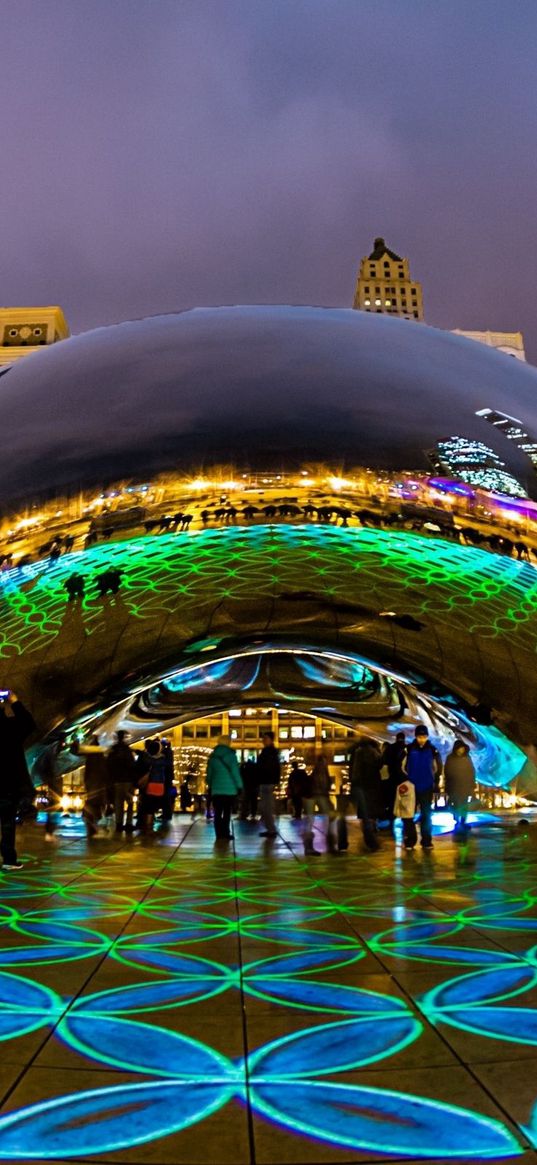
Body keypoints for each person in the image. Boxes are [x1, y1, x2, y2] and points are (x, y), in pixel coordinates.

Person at [0, 691, 35, 869]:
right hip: (7, 786)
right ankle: (8, 860)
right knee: (7, 824)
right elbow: (29, 724)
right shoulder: (10, 727)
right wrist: (14, 702)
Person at [402, 725, 442, 850]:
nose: (422, 739)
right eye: (420, 737)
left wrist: (434, 782)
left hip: (426, 786)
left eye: (424, 737)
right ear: (416, 736)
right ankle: (410, 840)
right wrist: (407, 780)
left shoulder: (432, 750)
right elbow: (402, 766)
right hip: (411, 786)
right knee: (408, 815)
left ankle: (426, 841)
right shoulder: (408, 749)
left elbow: (438, 768)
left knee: (426, 814)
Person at [349, 736, 383, 851]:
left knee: (365, 815)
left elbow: (355, 772)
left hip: (361, 786)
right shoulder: (374, 752)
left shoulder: (358, 752)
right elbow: (380, 766)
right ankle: (372, 841)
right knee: (370, 814)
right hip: (372, 787)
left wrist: (354, 785)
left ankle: (370, 841)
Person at [206, 736, 242, 841]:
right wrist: (239, 786)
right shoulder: (231, 756)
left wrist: (211, 784)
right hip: (229, 790)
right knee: (227, 813)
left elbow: (209, 775)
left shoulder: (212, 757)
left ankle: (218, 833)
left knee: (217, 812)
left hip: (216, 790)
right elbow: (235, 772)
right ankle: (226, 833)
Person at [303, 749, 338, 854]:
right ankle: (331, 844)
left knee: (310, 819)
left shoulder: (313, 767)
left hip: (309, 795)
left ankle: (308, 847)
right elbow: (322, 782)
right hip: (319, 794)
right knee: (331, 816)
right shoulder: (322, 766)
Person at [106, 730, 137, 833]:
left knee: (118, 803)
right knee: (130, 803)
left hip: (117, 781)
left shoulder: (113, 751)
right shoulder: (128, 750)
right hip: (128, 780)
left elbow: (109, 766)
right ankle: (128, 823)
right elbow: (132, 766)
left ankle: (119, 823)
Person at [78, 735, 108, 837]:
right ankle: (94, 821)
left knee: (91, 802)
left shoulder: (90, 756)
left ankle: (89, 820)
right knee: (97, 803)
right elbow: (104, 769)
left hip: (91, 782)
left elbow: (87, 770)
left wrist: (86, 782)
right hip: (99, 782)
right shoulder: (101, 754)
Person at [444, 739, 475, 833]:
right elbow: (447, 772)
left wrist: (471, 783)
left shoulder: (467, 758)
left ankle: (462, 821)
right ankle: (456, 819)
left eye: (462, 749)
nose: (461, 751)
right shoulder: (450, 758)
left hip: (464, 786)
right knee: (456, 804)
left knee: (464, 804)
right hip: (454, 786)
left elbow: (471, 771)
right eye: (459, 749)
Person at [137, 739, 167, 834]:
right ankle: (150, 823)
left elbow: (146, 762)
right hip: (160, 785)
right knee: (154, 805)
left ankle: (148, 825)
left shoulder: (149, 759)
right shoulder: (163, 759)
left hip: (151, 784)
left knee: (149, 805)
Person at [381, 731, 407, 834]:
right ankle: (406, 823)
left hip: (392, 779)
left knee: (392, 802)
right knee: (404, 802)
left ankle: (391, 822)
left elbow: (384, 762)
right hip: (404, 780)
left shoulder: (390, 749)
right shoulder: (406, 748)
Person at [257, 731, 280, 838]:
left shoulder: (269, 752)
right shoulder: (269, 752)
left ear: (271, 740)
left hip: (267, 782)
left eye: (266, 738)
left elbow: (272, 768)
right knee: (265, 807)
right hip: (266, 781)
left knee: (267, 807)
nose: (263, 740)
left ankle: (271, 829)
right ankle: (270, 829)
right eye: (263, 738)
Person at [239, 756, 259, 820]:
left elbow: (241, 773)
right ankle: (253, 813)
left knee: (245, 801)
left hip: (246, 785)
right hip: (254, 786)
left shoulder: (245, 768)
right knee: (254, 801)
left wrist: (242, 765)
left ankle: (244, 814)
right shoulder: (255, 768)